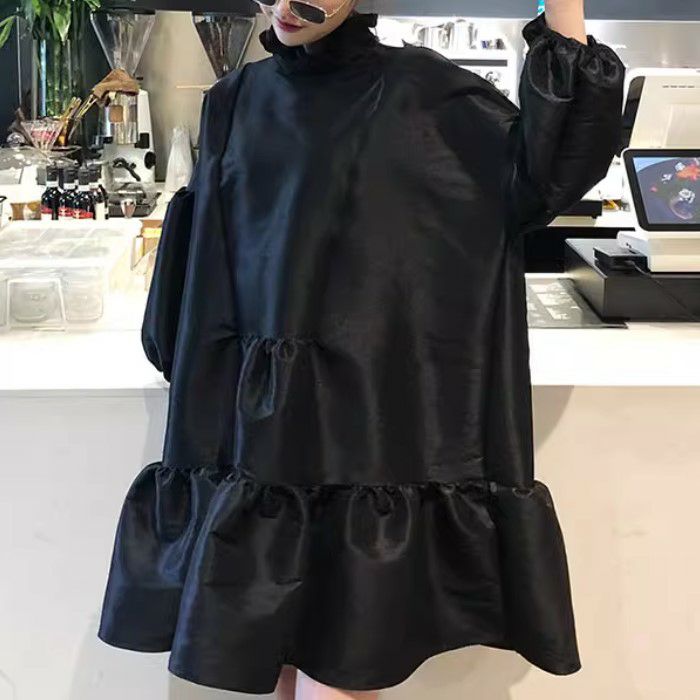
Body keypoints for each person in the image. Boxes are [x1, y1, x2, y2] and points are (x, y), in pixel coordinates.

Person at [97, 1, 625, 699]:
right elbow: (206, 274)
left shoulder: (430, 97)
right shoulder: (236, 99)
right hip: (261, 437)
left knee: (342, 663)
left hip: (368, 429)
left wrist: (564, 8)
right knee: (277, 659)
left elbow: (553, 166)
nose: (284, 8)